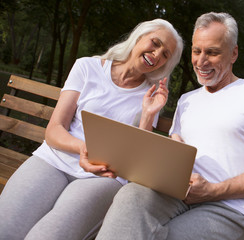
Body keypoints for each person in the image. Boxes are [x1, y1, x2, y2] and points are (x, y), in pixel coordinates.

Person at [96, 12, 244, 240]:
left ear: (233, 53)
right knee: (130, 196)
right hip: (178, 194)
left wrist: (214, 191)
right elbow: (175, 149)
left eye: (212, 52)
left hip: (228, 207)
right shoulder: (187, 100)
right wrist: (150, 117)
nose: (201, 61)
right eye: (197, 51)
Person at [0, 19, 183, 240]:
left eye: (165, 54)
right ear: (138, 37)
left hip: (103, 177)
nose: (157, 54)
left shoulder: (151, 95)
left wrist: (148, 114)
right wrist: (84, 149)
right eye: (155, 43)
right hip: (54, 160)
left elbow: (137, 162)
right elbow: (54, 129)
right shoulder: (87, 67)